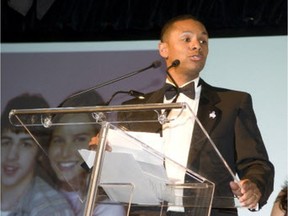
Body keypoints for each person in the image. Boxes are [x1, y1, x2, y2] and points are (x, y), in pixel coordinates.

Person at [116, 14, 274, 216]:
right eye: (187, 39)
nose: (197, 46)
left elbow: (256, 163)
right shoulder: (134, 111)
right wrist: (104, 153)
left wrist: (254, 186)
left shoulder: (232, 104)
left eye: (203, 41)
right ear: (163, 49)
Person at [48, 90, 126, 216]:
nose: (65, 152)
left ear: (98, 144)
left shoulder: (108, 208)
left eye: (79, 139)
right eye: (59, 140)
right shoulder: (34, 196)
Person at [1, 93, 74, 216]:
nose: (11, 156)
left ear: (39, 153)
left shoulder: (52, 210)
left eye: (25, 144)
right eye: (6, 142)